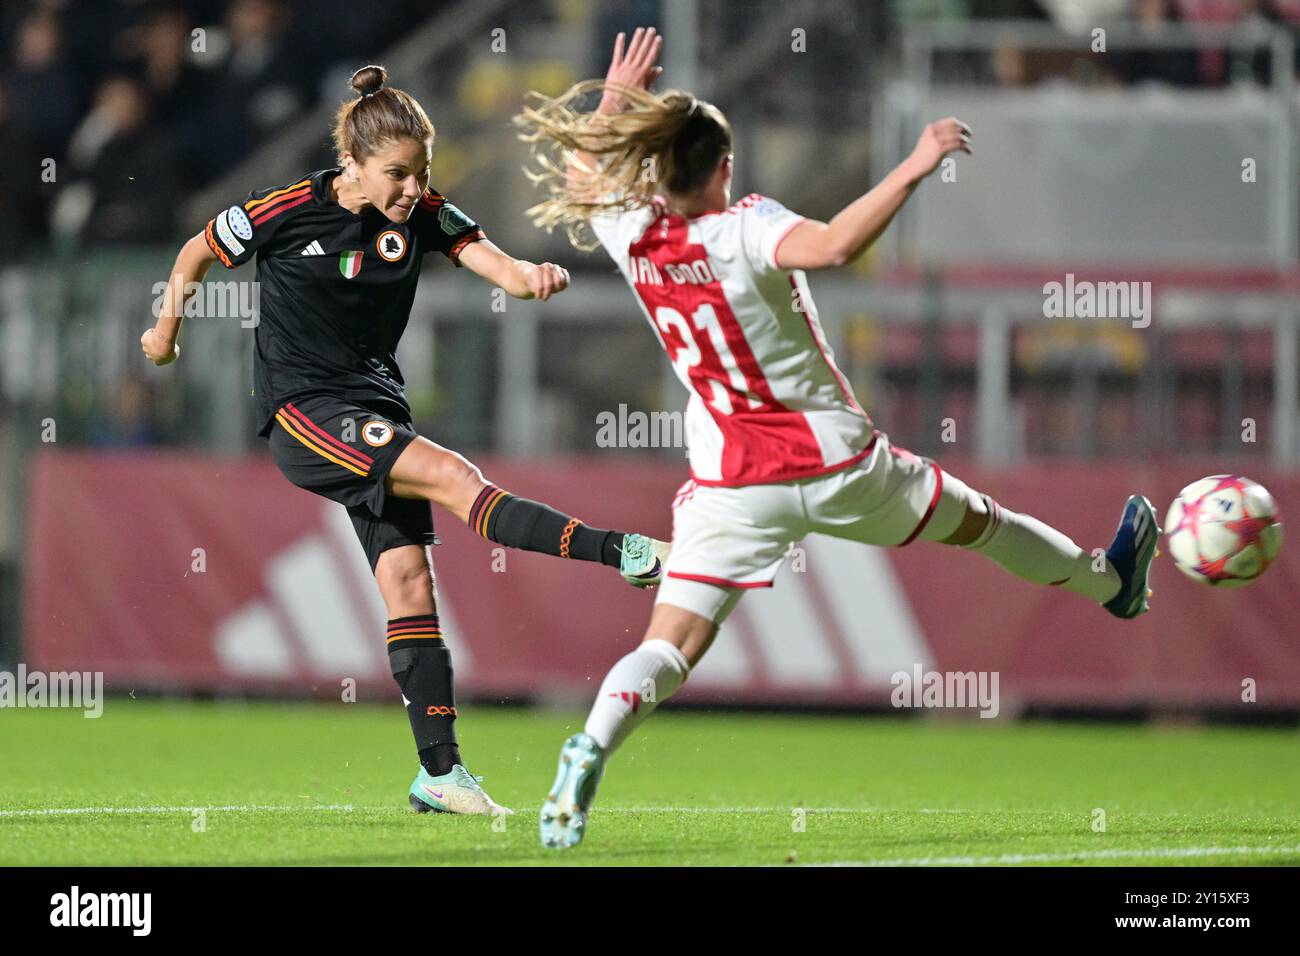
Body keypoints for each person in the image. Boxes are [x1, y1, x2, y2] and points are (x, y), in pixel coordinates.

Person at [514, 28, 1159, 848]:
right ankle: (1109, 583)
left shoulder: (630, 230)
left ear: (650, 168)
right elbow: (836, 244)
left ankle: (589, 746)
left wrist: (613, 98)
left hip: (729, 485)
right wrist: (916, 163)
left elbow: (581, 176)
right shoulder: (747, 227)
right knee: (982, 525)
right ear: (723, 169)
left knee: (669, 645)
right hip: (838, 463)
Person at [141, 65, 668, 816]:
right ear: (351, 163)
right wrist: (166, 329)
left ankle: (441, 775)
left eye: (420, 172)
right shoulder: (286, 209)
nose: (411, 189)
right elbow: (196, 250)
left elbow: (499, 267)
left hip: (376, 408)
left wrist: (530, 275)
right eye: (396, 174)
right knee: (454, 477)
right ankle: (625, 553)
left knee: (410, 584)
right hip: (305, 412)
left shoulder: (423, 213)